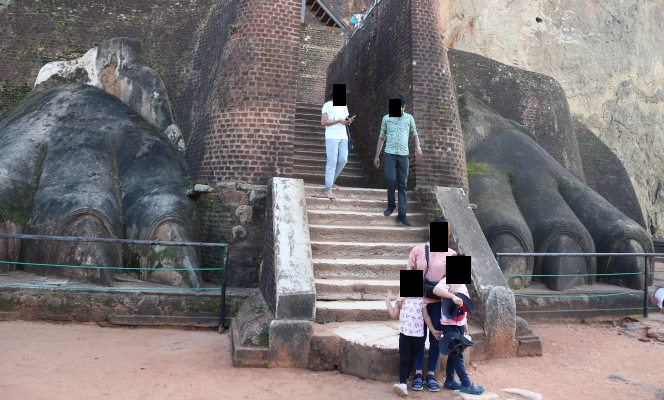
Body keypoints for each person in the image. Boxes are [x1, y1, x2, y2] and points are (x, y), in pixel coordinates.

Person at [406, 217, 456, 391]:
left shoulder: (452, 254)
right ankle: (418, 372)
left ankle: (431, 374)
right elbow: (409, 275)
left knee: (435, 338)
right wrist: (408, 303)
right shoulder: (417, 250)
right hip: (419, 301)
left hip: (439, 302)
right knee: (419, 338)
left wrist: (460, 312)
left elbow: (457, 285)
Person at [374, 95, 422, 226]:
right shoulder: (386, 118)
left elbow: (414, 133)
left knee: (402, 184)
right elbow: (381, 137)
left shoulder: (409, 118)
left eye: (402, 107)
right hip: (389, 153)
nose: (400, 109)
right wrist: (377, 155)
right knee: (391, 179)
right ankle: (390, 205)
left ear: (404, 107)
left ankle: (402, 214)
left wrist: (418, 147)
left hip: (403, 155)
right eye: (398, 106)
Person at [432, 280, 485, 395]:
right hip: (449, 324)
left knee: (454, 352)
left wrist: (465, 323)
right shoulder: (446, 281)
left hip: (460, 324)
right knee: (457, 354)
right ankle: (466, 384)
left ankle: (450, 380)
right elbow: (435, 290)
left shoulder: (463, 286)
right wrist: (452, 296)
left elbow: (465, 305)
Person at [385, 289, 440, 397]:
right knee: (404, 360)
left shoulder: (421, 301)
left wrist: (433, 330)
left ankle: (404, 381)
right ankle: (403, 384)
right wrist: (388, 301)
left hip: (418, 337)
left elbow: (426, 317)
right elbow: (393, 314)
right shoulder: (401, 301)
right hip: (404, 336)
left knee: (411, 360)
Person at [321, 89, 354, 199]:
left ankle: (332, 180)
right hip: (331, 136)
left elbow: (345, 119)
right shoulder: (327, 105)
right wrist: (338, 121)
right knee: (332, 160)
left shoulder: (344, 106)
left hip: (343, 136)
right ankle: (328, 189)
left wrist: (348, 121)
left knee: (343, 159)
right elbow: (323, 122)